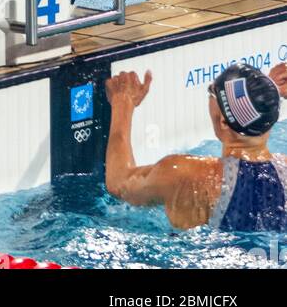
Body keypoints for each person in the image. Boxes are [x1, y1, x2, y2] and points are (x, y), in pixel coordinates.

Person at [105, 64, 287, 230]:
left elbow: (119, 183)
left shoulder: (185, 173)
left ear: (224, 122)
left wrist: (123, 102)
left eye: (211, 92)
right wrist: (266, 93)